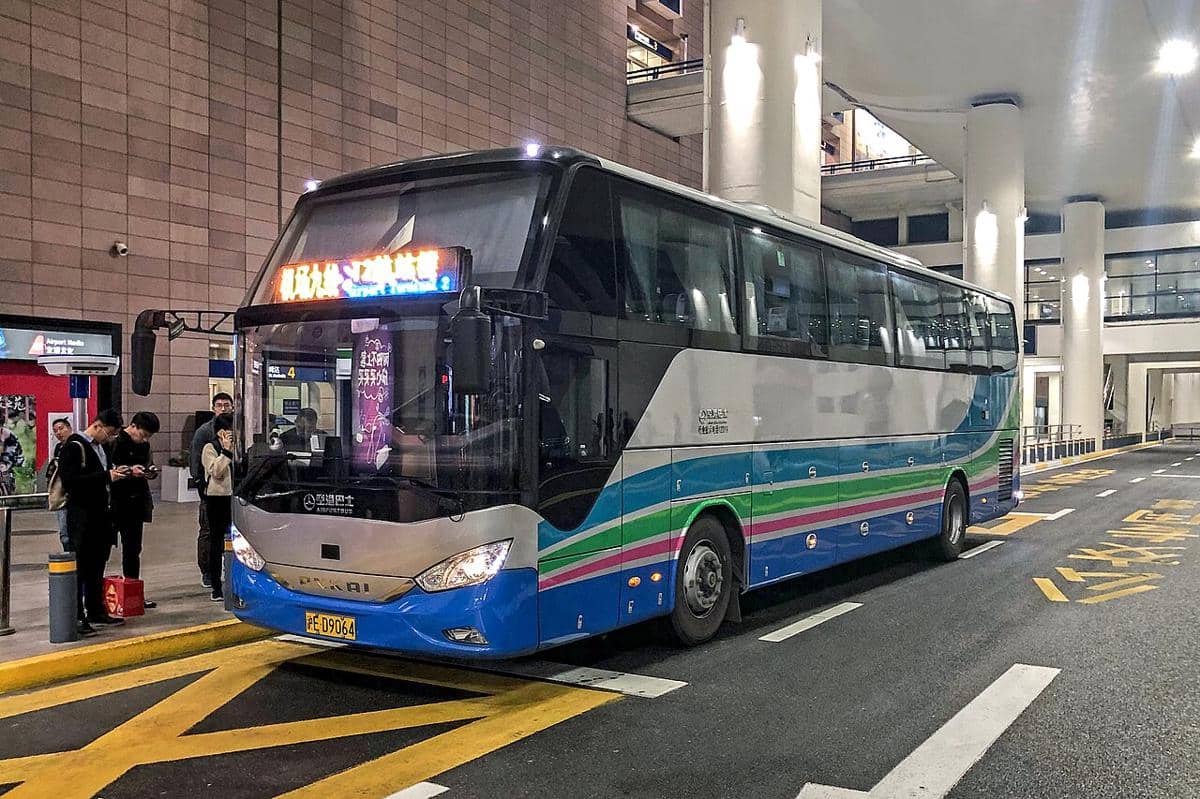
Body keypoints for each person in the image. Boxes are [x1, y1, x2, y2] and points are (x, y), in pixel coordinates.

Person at [58, 409, 124, 636]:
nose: (111, 437)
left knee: (97, 565)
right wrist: (106, 477)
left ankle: (96, 609)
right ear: (97, 426)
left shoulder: (101, 448)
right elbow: (71, 482)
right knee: (81, 568)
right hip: (82, 518)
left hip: (102, 517)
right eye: (110, 432)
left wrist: (116, 474)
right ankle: (77, 616)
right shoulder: (73, 446)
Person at [107, 411, 160, 608]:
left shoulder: (144, 445)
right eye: (143, 434)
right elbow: (109, 468)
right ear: (134, 426)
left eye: (148, 437)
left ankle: (132, 593)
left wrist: (149, 471)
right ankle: (98, 597)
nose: (144, 440)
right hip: (114, 503)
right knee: (102, 552)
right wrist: (130, 471)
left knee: (133, 550)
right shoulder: (114, 442)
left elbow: (148, 464)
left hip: (136, 505)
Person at [190, 392, 233, 588]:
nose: (223, 408)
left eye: (226, 404)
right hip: (212, 493)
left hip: (232, 494)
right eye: (219, 404)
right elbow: (197, 461)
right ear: (213, 407)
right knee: (209, 533)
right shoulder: (205, 433)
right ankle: (208, 572)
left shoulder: (239, 428)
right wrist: (201, 484)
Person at [201, 413, 235, 602]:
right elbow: (216, 471)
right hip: (217, 499)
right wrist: (226, 451)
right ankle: (216, 585)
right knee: (216, 542)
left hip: (233, 497)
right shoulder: (210, 448)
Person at [50, 417, 73, 551]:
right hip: (62, 494)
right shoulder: (58, 448)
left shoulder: (76, 445)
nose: (59, 433)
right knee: (64, 534)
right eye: (55, 431)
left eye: (61, 428)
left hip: (74, 495)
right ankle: (69, 557)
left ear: (69, 428)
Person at [0, 417, 23, 496]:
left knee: (5, 474)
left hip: (5, 465)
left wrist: (6, 465)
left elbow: (13, 453)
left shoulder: (9, 436)